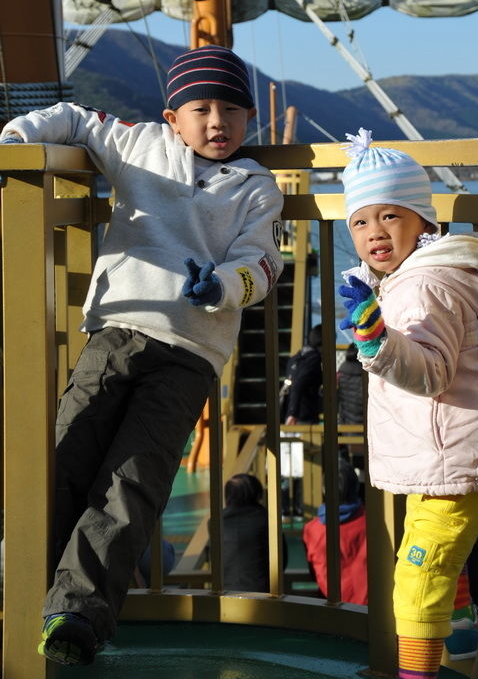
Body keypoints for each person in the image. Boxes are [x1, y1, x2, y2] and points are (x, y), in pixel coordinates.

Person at [0, 45, 284, 667]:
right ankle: (16, 588)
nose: (218, 122)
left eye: (232, 110)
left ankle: (76, 613)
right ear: (172, 116)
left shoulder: (256, 188)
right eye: (201, 108)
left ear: (249, 120)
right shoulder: (139, 144)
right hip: (116, 334)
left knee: (134, 482)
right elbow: (74, 119)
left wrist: (225, 286)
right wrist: (19, 139)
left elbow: (263, 261)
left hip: (191, 353)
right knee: (65, 453)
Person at [337, 128, 478, 679]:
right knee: (433, 558)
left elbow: (428, 373)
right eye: (361, 221)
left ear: (426, 222)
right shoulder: (416, 278)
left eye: (391, 216)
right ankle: (472, 634)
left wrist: (374, 338)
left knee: (418, 576)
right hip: (459, 452)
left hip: (460, 454)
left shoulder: (423, 288)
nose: (375, 232)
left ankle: (415, 675)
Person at [302, 458, 368, 605]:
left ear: (325, 489)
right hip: (369, 609)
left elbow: (314, 572)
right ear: (356, 486)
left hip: (331, 606)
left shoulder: (311, 530)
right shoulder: (374, 523)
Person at [222, 473, 287, 591]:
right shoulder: (267, 518)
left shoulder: (215, 521)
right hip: (263, 591)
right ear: (256, 492)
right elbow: (282, 558)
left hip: (225, 590)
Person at [281, 323, 323, 426]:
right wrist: (293, 413)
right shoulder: (313, 359)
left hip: (288, 412)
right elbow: (298, 384)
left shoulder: (295, 358)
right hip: (303, 415)